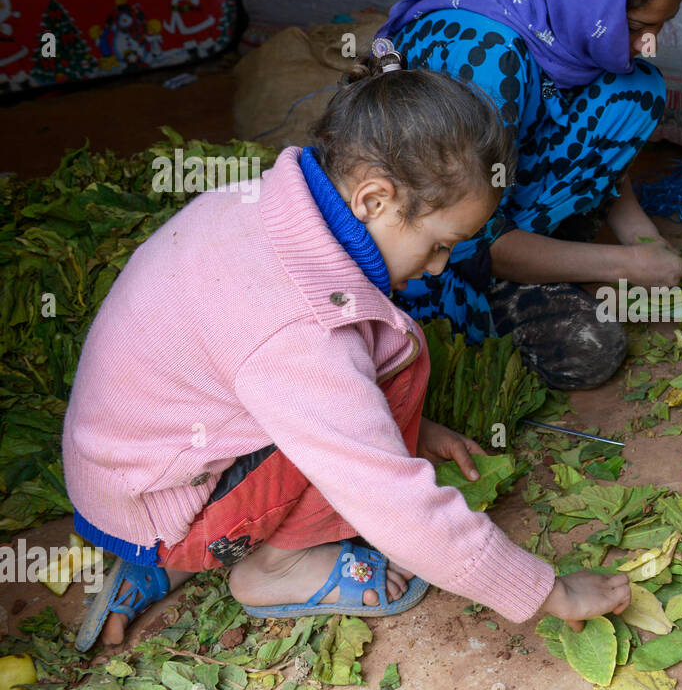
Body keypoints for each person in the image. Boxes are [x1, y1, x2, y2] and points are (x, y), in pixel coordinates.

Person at [64, 47, 628, 651]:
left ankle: (165, 551)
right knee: (378, 399)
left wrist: (407, 421)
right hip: (160, 502)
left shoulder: (263, 205)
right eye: (440, 244)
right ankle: (273, 569)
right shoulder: (297, 327)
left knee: (377, 357)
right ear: (373, 201)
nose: (439, 269)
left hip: (133, 481)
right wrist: (548, 592)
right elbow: (390, 498)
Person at [378, 0, 682, 390]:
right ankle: (481, 300)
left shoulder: (561, 14)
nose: (646, 42)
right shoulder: (488, 60)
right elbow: (470, 235)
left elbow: (603, 154)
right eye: (633, 25)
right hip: (434, 250)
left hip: (495, 205)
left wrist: (647, 243)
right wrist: (626, 266)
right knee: (589, 348)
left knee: (636, 85)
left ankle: (547, 258)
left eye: (658, 26)